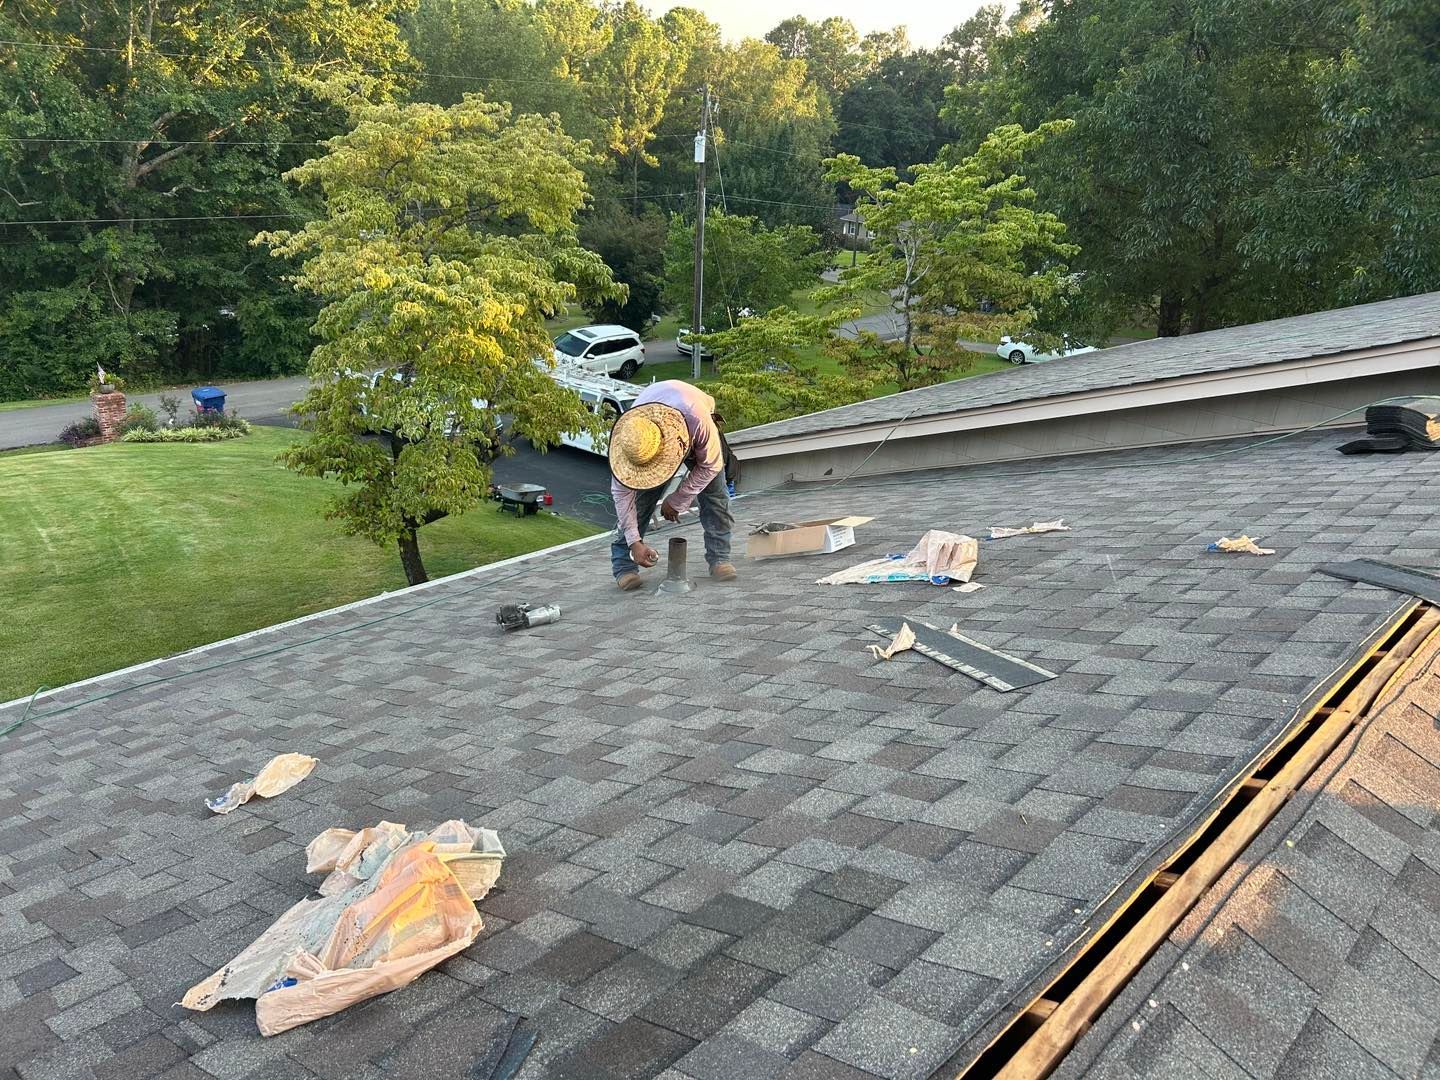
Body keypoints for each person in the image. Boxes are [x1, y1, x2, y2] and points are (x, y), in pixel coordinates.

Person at [608, 380, 736, 591]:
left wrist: (679, 499)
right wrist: (634, 542)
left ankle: (720, 559)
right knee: (640, 503)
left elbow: (711, 466)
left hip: (691, 426)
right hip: (655, 419)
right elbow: (623, 499)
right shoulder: (629, 443)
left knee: (716, 497)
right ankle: (624, 566)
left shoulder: (698, 420)